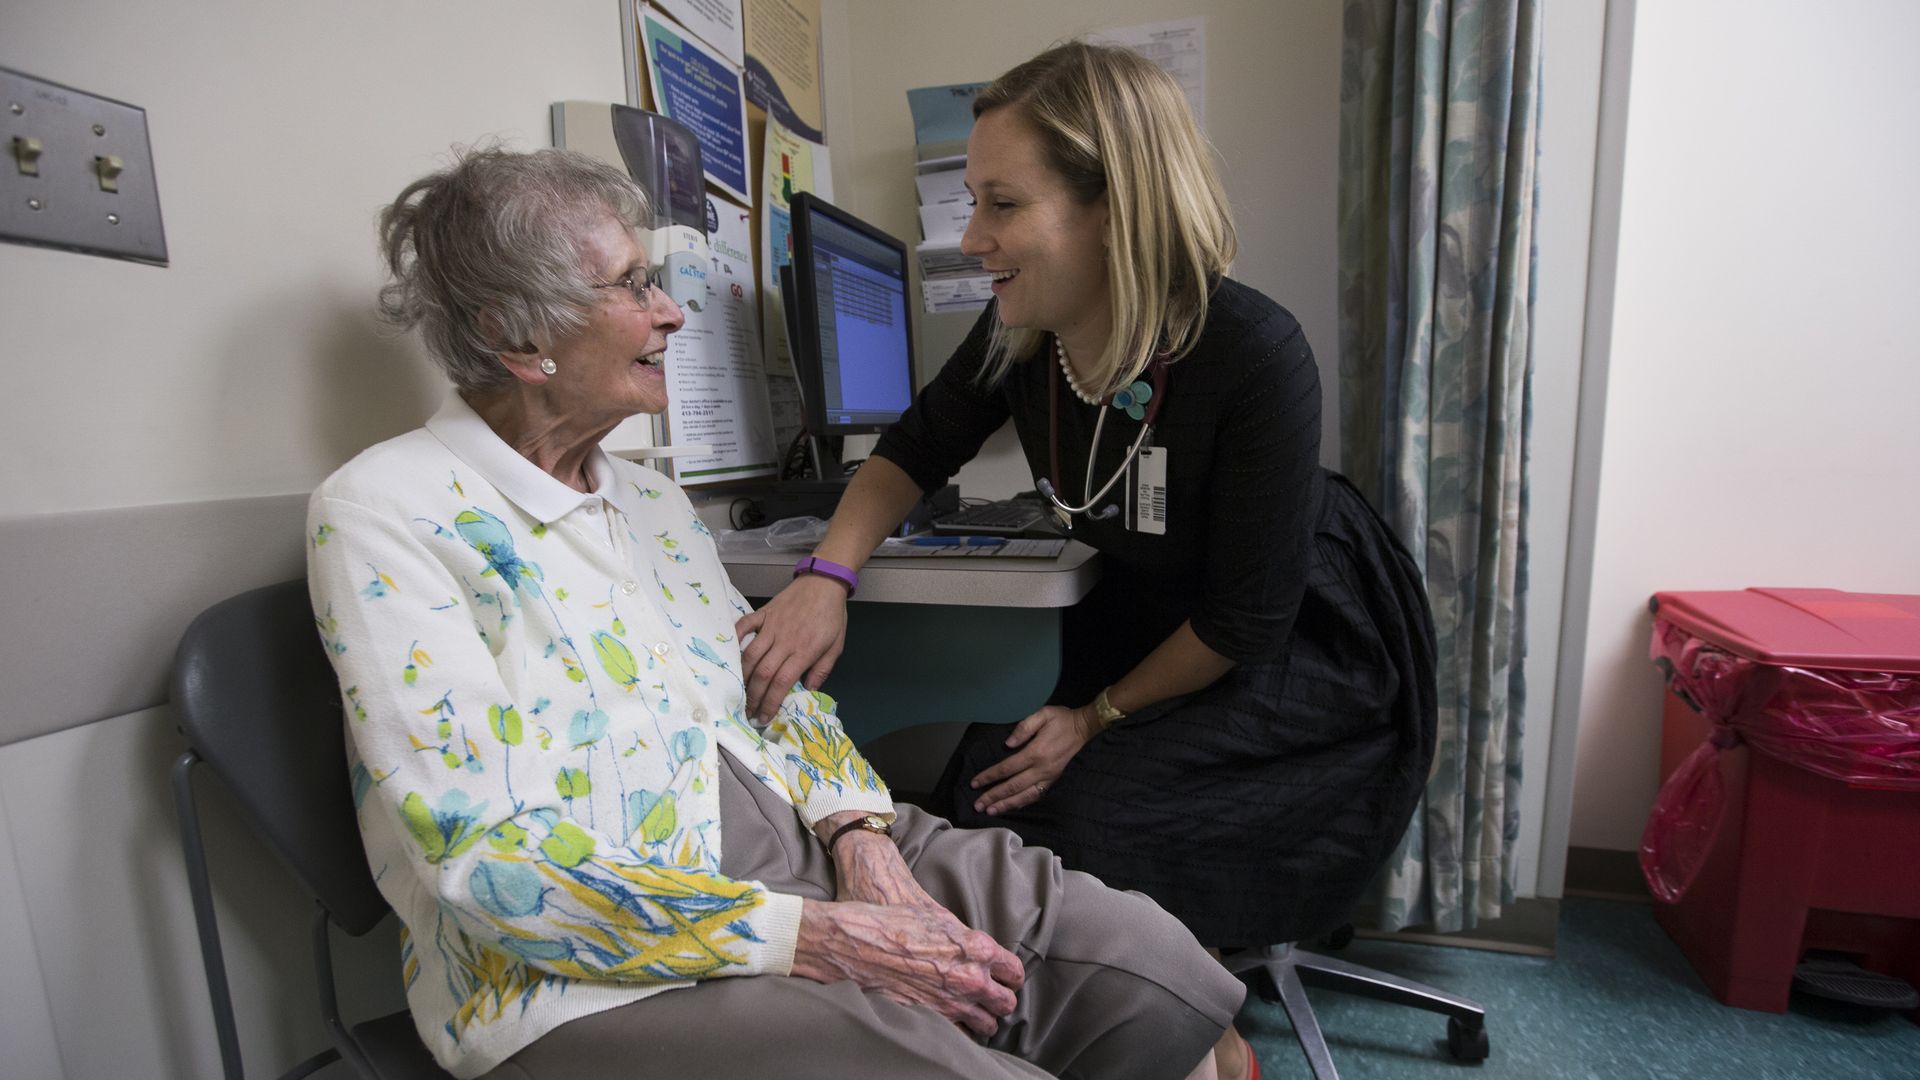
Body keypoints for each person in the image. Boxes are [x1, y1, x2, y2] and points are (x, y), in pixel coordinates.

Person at [305, 146, 1245, 1080]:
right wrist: (816, 938)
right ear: (515, 335)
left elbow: (776, 691)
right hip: (591, 964)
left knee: (1144, 966)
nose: (671, 311)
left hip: (802, 835)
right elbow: (490, 864)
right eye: (633, 285)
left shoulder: (651, 500)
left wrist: (861, 838)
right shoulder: (386, 512)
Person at [738, 42, 1438, 1080]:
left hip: (1292, 641)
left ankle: (1203, 1025)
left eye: (1003, 205)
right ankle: (1085, 1003)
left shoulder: (1254, 353)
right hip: (1149, 613)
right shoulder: (1026, 335)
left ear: (1115, 207)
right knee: (990, 783)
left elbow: (1244, 621)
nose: (972, 238)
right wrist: (824, 578)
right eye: (972, 203)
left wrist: (1094, 717)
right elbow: (912, 452)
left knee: (1089, 806)